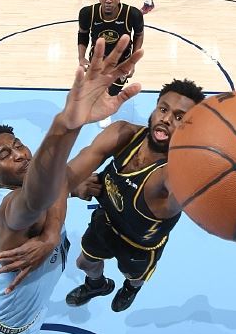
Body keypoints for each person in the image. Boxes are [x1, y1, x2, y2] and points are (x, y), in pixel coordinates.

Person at [0, 37, 143, 334]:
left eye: (17, 144)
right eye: (4, 155)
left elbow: (104, 144)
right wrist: (66, 124)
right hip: (9, 329)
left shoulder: (44, 187)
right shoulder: (12, 209)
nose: (19, 154)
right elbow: (42, 191)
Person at [64, 78, 205, 312]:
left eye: (180, 117)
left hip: (140, 245)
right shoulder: (123, 133)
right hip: (107, 221)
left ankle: (131, 288)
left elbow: (187, 190)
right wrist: (73, 187)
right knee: (84, 263)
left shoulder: (175, 174)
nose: (166, 119)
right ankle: (96, 285)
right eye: (163, 109)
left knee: (134, 276)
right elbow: (66, 176)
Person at [77, 0, 145, 96]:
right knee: (94, 94)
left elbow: (139, 34)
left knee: (111, 95)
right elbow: (83, 33)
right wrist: (81, 57)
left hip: (122, 62)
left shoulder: (132, 14)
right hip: (97, 60)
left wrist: (132, 62)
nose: (108, 0)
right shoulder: (87, 13)